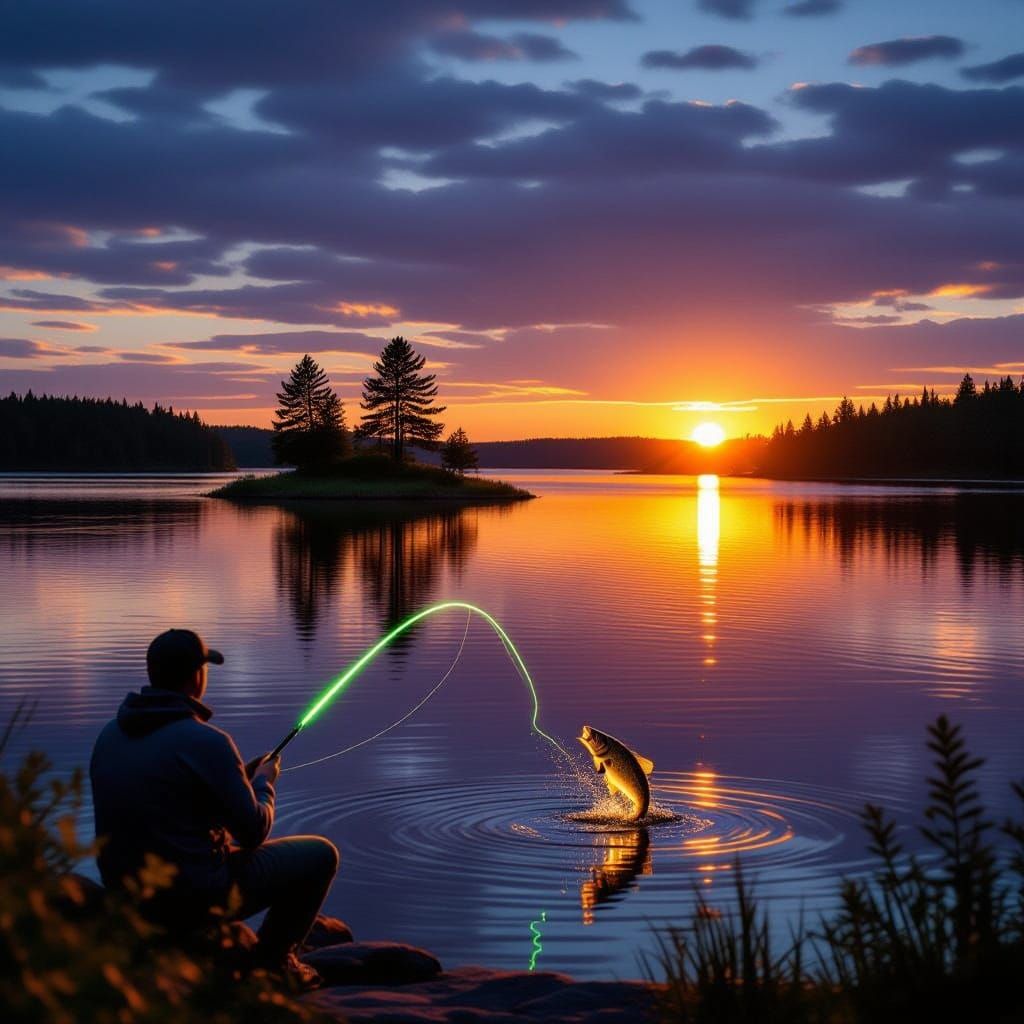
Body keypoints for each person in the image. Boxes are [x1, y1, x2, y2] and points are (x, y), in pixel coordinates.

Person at [90, 628, 338, 988]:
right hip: (192, 898)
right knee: (321, 856)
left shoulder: (109, 735)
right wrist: (265, 781)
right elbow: (253, 833)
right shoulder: (207, 741)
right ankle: (275, 964)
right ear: (196, 676)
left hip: (128, 895)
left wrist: (240, 779)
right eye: (204, 669)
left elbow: (168, 802)